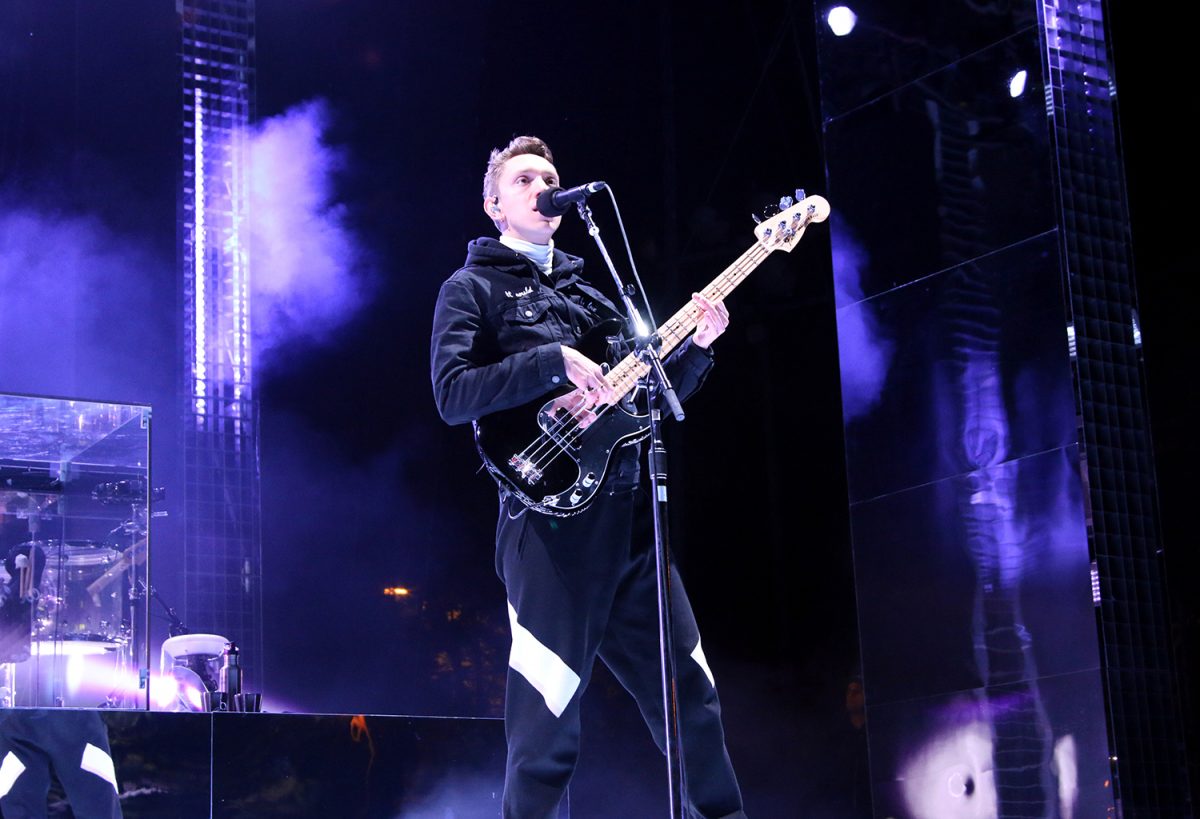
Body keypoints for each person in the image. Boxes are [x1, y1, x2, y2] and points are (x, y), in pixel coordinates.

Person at [431, 135, 746, 818]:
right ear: (494, 205)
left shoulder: (594, 295)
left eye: (549, 176)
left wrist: (696, 348)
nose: (542, 186)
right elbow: (452, 394)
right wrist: (551, 362)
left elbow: (650, 402)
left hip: (630, 523)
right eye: (523, 179)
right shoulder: (471, 289)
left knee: (691, 698)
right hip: (550, 528)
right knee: (547, 720)